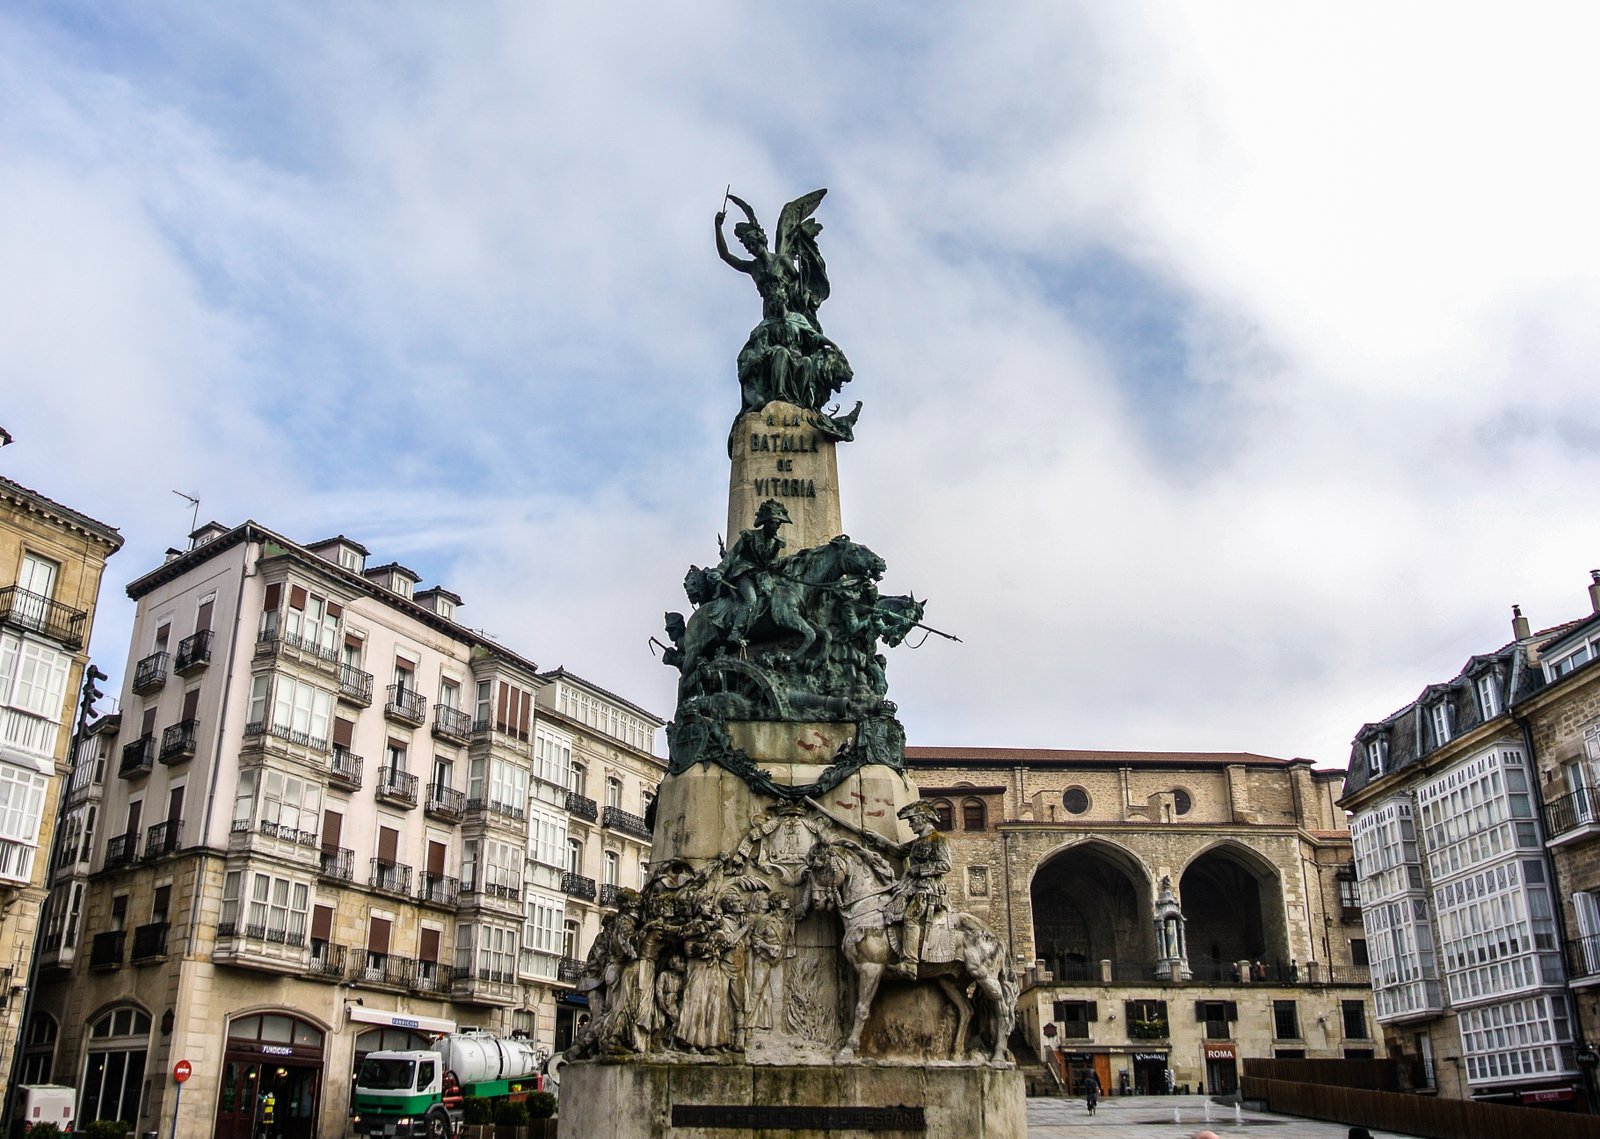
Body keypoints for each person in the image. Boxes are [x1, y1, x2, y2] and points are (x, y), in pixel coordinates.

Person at [875, 800, 952, 979]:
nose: (910, 825)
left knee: (910, 916)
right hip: (912, 886)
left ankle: (910, 963)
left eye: (912, 820)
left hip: (929, 888)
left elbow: (946, 864)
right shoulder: (918, 842)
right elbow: (898, 851)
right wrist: (875, 839)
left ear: (923, 818)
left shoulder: (938, 838)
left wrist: (919, 869)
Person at [709, 499, 790, 648]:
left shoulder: (775, 543)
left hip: (761, 577)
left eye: (779, 524)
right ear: (766, 522)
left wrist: (780, 558)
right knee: (751, 600)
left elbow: (770, 564)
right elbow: (731, 555)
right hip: (744, 574)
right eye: (774, 523)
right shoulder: (749, 536)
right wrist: (719, 570)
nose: (777, 526)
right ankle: (735, 632)